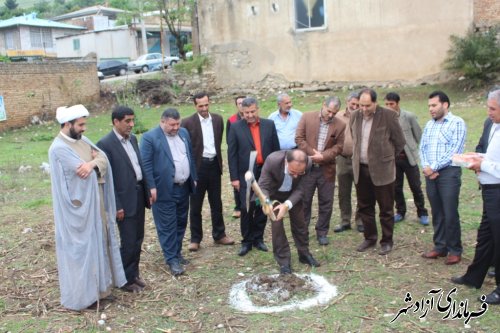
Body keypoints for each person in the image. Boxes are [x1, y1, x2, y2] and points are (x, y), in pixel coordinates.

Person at [49, 104, 126, 310]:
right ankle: (84, 297)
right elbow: (83, 174)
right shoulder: (59, 149)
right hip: (77, 210)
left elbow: (102, 159)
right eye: (80, 124)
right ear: (67, 124)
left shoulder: (82, 141)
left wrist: (92, 164)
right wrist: (93, 166)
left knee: (99, 244)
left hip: (96, 204)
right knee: (81, 252)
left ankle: (102, 291)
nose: (84, 128)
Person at [451, 89, 500, 305]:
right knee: (486, 237)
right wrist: (477, 157)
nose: (488, 112)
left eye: (492, 108)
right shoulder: (492, 125)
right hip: (489, 192)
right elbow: (491, 154)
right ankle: (474, 277)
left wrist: (483, 164)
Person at [96, 106, 150, 293]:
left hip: (138, 195)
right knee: (127, 241)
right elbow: (108, 180)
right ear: (116, 122)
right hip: (122, 201)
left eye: (132, 120)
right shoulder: (105, 144)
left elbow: (139, 166)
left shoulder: (133, 139)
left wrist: (148, 188)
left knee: (138, 238)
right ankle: (124, 279)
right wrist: (116, 205)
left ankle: (133, 274)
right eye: (127, 121)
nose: (131, 124)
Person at [141, 108, 197, 276]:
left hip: (183, 186)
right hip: (164, 189)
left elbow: (190, 156)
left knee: (181, 221)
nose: (175, 128)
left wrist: (192, 176)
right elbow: (146, 164)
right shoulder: (150, 138)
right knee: (167, 225)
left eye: (178, 124)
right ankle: (171, 258)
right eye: (172, 125)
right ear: (163, 121)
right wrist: (151, 187)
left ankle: (177, 252)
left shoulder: (184, 133)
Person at [351, 88, 406, 255]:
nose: (364, 109)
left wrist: (385, 158)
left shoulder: (388, 116)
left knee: (386, 208)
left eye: (368, 105)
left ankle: (387, 241)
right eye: (361, 105)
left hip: (383, 171)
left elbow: (400, 142)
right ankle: (370, 237)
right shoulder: (355, 116)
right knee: (365, 207)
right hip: (361, 169)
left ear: (375, 102)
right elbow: (355, 139)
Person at [227, 97, 280, 256]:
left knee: (263, 204)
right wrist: (234, 178)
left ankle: (258, 238)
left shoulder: (269, 125)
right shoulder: (236, 127)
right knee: (245, 207)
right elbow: (232, 154)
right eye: (246, 112)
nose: (249, 115)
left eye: (252, 111)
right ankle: (247, 241)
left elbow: (276, 150)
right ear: (241, 112)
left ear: (258, 109)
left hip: (265, 171)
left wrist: (276, 173)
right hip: (245, 173)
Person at [182, 92, 234, 252]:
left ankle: (219, 234)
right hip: (198, 168)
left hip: (214, 166)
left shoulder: (218, 120)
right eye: (200, 106)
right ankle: (195, 238)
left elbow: (218, 142)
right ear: (195, 106)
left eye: (206, 105)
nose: (204, 108)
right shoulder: (187, 123)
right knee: (196, 204)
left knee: (216, 202)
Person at [420, 91, 466, 265]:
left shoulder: (457, 123)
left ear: (445, 105)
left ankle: (455, 249)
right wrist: (426, 167)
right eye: (429, 106)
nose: (431, 109)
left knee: (450, 211)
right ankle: (440, 246)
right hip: (430, 173)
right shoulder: (429, 125)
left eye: (434, 105)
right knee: (437, 210)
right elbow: (422, 148)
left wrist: (434, 167)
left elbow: (455, 150)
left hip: (448, 173)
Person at [258, 149, 320, 274]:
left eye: (299, 173)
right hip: (274, 195)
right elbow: (263, 186)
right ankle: (284, 262)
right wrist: (266, 202)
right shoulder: (272, 161)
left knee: (300, 224)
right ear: (286, 162)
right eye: (292, 172)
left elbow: (302, 188)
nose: (296, 175)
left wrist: (287, 205)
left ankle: (304, 254)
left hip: (293, 194)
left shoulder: (307, 163)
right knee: (277, 227)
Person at [295, 96, 346, 245]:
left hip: (327, 170)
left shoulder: (340, 125)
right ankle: (302, 232)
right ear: (323, 105)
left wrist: (323, 156)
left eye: (334, 113)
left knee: (326, 202)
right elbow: (299, 138)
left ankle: (322, 232)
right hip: (307, 168)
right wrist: (313, 154)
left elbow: (339, 147)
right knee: (304, 202)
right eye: (329, 111)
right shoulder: (307, 117)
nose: (330, 115)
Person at [384, 92, 429, 225]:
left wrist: (414, 150)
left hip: (410, 158)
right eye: (386, 104)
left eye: (391, 104)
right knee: (396, 187)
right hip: (393, 159)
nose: (388, 107)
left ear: (397, 104)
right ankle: (400, 212)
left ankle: (422, 213)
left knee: (416, 186)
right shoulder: (383, 118)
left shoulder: (408, 116)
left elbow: (419, 136)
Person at [334, 92, 364, 233]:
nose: (355, 107)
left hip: (360, 160)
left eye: (358, 105)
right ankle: (345, 221)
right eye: (353, 104)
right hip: (342, 159)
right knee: (343, 191)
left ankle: (360, 220)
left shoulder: (365, 116)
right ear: (347, 102)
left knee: (362, 191)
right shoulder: (338, 116)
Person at [226, 96, 246, 219]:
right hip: (238, 155)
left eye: (243, 102)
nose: (241, 105)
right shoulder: (232, 120)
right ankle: (238, 206)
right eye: (239, 103)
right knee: (237, 181)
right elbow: (229, 141)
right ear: (236, 105)